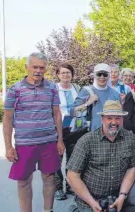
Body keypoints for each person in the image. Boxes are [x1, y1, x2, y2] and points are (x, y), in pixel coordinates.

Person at [3, 52, 65, 212]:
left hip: (49, 142)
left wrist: (60, 140)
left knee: (50, 178)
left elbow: (57, 114)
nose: (38, 70)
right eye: (34, 66)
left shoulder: (52, 88)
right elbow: (7, 119)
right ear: (27, 67)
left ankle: (48, 210)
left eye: (41, 67)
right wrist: (8, 146)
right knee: (23, 181)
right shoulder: (15, 89)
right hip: (24, 144)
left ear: (46, 69)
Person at [67, 100, 135, 212]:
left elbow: (132, 168)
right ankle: (77, 208)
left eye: (117, 118)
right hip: (92, 196)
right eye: (109, 118)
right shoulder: (86, 141)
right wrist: (92, 203)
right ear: (102, 119)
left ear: (122, 119)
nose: (114, 122)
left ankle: (117, 206)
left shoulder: (130, 138)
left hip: (118, 191)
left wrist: (122, 195)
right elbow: (72, 176)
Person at [54, 63, 83, 200]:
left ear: (72, 74)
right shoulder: (53, 89)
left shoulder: (77, 88)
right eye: (63, 73)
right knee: (56, 160)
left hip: (75, 129)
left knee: (73, 160)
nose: (66, 75)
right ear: (58, 75)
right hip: (57, 129)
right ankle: (58, 187)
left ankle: (72, 185)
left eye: (68, 72)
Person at [72, 63, 121, 132]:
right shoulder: (86, 91)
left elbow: (120, 116)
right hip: (92, 133)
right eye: (99, 74)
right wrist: (88, 103)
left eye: (105, 74)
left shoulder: (115, 94)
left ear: (109, 76)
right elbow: (74, 112)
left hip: (111, 133)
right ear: (94, 75)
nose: (102, 77)